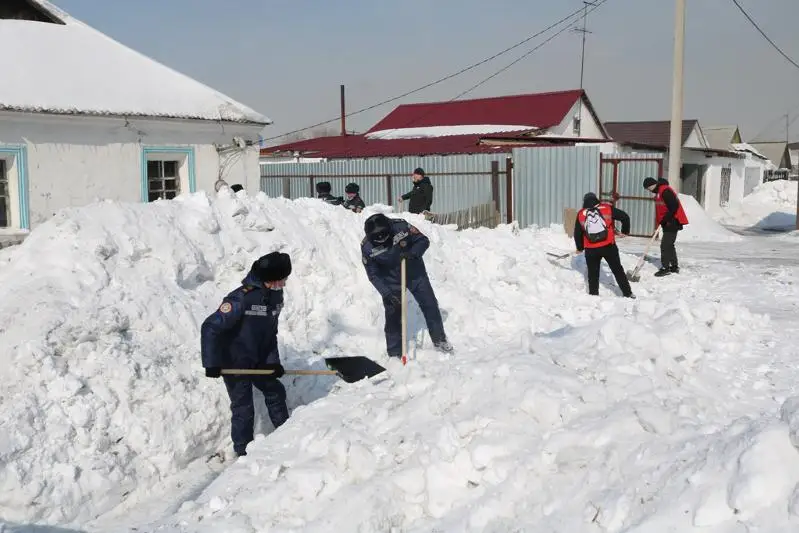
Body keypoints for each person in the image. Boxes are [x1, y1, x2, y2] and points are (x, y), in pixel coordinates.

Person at [200, 251, 292, 457]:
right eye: (281, 279)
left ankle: (287, 434)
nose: (284, 284)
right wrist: (211, 363)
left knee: (275, 392)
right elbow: (210, 327)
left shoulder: (276, 295)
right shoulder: (240, 298)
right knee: (243, 407)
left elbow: (270, 332)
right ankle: (243, 453)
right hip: (234, 362)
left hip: (259, 359)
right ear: (269, 278)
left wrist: (272, 362)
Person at [361, 213, 452, 357]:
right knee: (393, 316)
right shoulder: (367, 247)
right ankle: (394, 353)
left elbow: (422, 240)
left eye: (384, 237)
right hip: (391, 281)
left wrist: (413, 253)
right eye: (378, 240)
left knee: (430, 305)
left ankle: (440, 341)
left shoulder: (401, 227)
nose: (382, 240)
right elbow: (373, 274)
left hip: (414, 274)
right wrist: (387, 293)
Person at [573, 192, 635, 299]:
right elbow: (625, 217)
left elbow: (577, 233)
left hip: (591, 249)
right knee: (617, 270)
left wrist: (580, 247)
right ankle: (628, 293)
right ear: (596, 199)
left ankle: (593, 295)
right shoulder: (607, 208)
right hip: (608, 246)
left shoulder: (581, 213)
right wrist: (625, 231)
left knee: (593, 273)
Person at [643, 177, 689, 277]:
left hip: (672, 221)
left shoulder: (665, 191)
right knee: (669, 245)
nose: (649, 190)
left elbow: (674, 206)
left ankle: (665, 268)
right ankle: (674, 266)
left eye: (648, 188)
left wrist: (666, 219)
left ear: (652, 185)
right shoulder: (660, 191)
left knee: (665, 245)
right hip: (668, 221)